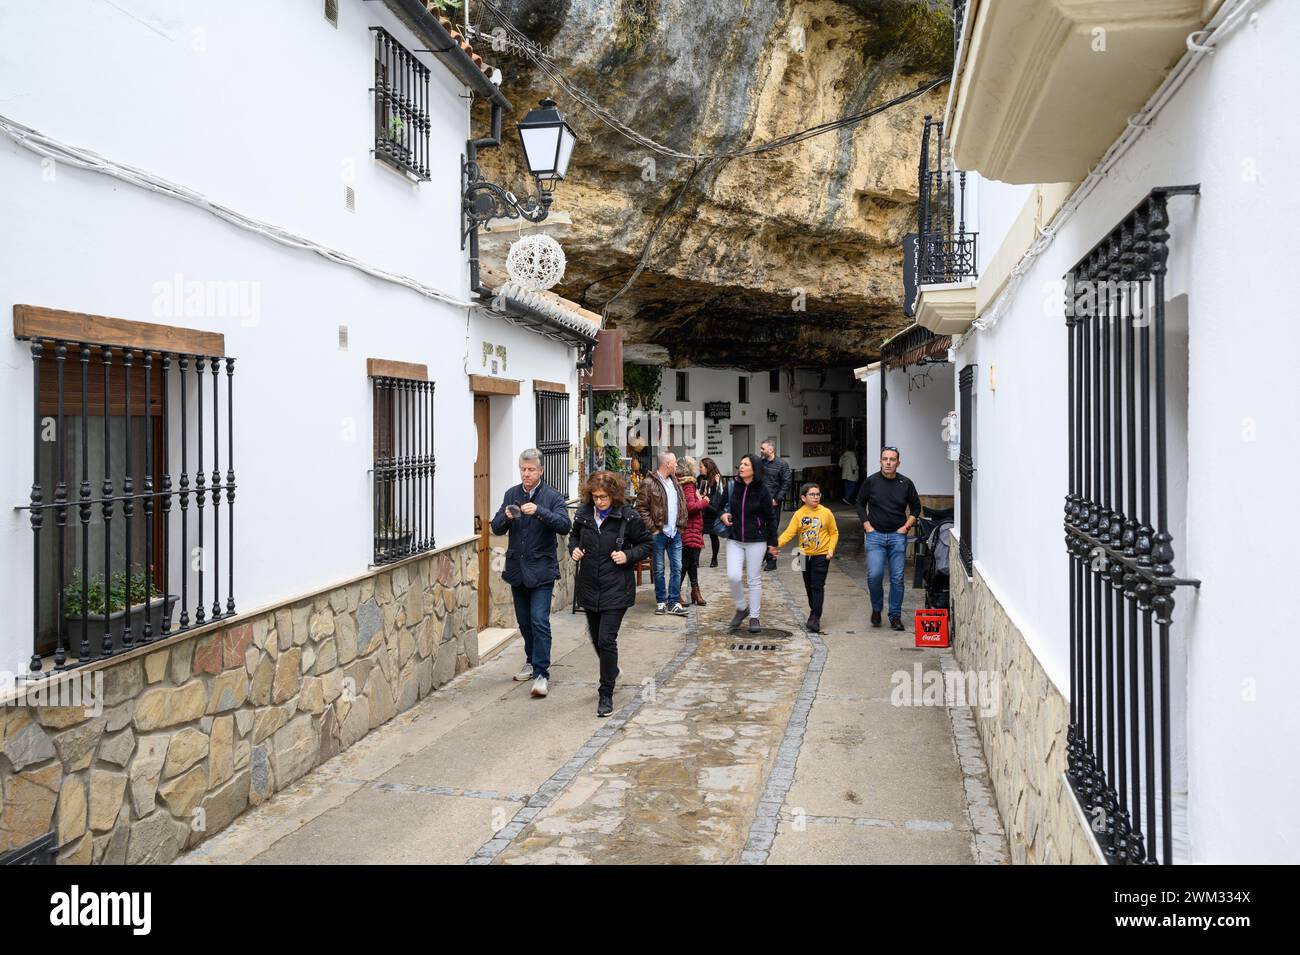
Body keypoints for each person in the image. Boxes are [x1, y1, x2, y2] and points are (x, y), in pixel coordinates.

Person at [569, 471, 653, 717]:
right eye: (595, 497)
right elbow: (574, 537)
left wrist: (628, 556)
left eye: (603, 497)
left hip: (616, 587)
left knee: (606, 639)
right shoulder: (584, 514)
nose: (599, 502)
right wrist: (574, 549)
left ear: (613, 496)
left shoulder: (628, 516)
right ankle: (612, 670)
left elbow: (647, 543)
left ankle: (605, 692)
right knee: (596, 639)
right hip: (590, 585)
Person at [490, 448, 572, 698]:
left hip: (542, 570)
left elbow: (564, 525)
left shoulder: (552, 496)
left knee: (539, 620)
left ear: (541, 471)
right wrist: (505, 517)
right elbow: (496, 528)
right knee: (525, 623)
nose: (526, 474)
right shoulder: (511, 494)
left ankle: (541, 674)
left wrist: (539, 512)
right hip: (517, 569)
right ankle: (530, 658)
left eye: (531, 470)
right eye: (523, 470)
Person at [854, 446, 922, 631]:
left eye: (892, 459)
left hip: (897, 537)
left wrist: (907, 526)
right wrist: (866, 525)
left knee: (897, 578)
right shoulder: (871, 481)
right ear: (880, 461)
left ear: (898, 462)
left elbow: (916, 508)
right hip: (875, 536)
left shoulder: (906, 483)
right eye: (885, 459)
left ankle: (895, 616)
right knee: (874, 575)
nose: (888, 462)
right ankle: (877, 608)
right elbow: (860, 504)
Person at [720, 453, 779, 633]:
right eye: (741, 463)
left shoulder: (762, 490)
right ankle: (741, 607)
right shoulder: (732, 486)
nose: (741, 466)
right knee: (733, 576)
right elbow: (720, 506)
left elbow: (770, 517)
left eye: (746, 464)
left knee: (754, 579)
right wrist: (722, 515)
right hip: (735, 539)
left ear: (754, 469)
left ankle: (754, 616)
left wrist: (772, 543)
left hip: (757, 540)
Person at [774, 482, 839, 633]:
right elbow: (789, 533)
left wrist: (830, 550)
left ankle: (815, 617)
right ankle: (813, 611)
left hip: (821, 555)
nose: (816, 497)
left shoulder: (826, 513)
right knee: (808, 585)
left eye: (818, 494)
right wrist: (776, 545)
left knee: (817, 585)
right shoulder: (799, 514)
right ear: (804, 497)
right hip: (802, 555)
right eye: (812, 494)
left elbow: (834, 532)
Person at [634, 450, 688, 616]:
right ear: (667, 464)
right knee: (658, 569)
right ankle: (661, 601)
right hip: (659, 533)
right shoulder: (648, 483)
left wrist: (681, 524)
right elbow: (640, 507)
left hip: (675, 533)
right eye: (674, 463)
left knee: (677, 567)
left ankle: (673, 601)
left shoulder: (675, 481)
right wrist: (653, 529)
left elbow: (681, 504)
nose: (677, 465)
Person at [678, 456, 709, 607]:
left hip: (689, 528)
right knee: (686, 562)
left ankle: (695, 591)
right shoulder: (689, 484)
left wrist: (698, 499)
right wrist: (704, 501)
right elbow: (690, 508)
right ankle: (676, 592)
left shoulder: (683, 484)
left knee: (691, 562)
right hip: (691, 528)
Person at [758, 439, 791, 571]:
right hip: (760, 502)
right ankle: (763, 556)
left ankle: (772, 562)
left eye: (763, 448)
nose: (761, 451)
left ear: (771, 450)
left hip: (773, 503)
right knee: (760, 530)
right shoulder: (760, 463)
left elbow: (787, 482)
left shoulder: (782, 464)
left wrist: (777, 499)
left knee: (772, 531)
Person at [699, 457, 728, 568]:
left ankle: (714, 559)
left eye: (701, 467)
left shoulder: (717, 478)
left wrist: (718, 484)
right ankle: (695, 559)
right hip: (703, 511)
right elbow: (700, 493)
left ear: (707, 467)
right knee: (699, 535)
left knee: (713, 536)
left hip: (713, 511)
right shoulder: (700, 479)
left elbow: (722, 497)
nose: (699, 469)